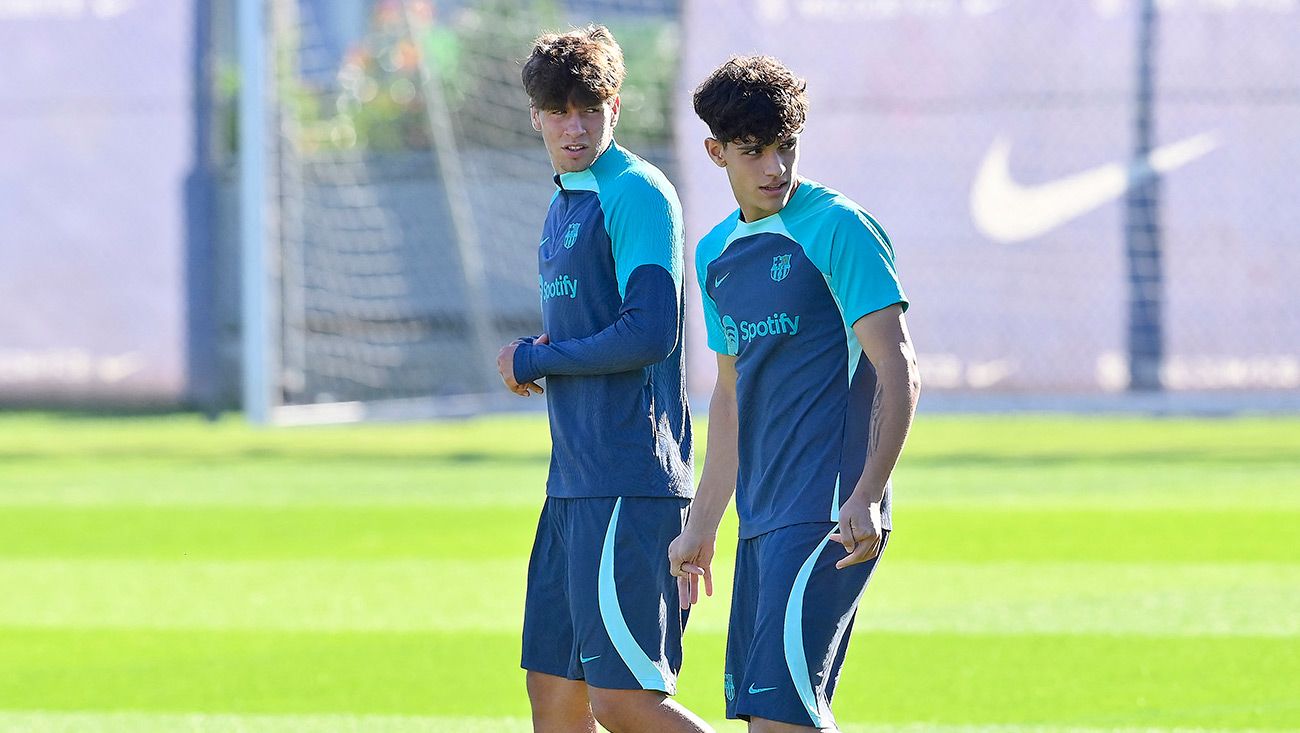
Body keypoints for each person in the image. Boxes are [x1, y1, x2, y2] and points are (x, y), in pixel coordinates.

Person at [668, 55, 921, 732]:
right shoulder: (716, 252)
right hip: (761, 521)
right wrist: (702, 522)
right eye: (753, 152)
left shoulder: (840, 227)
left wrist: (867, 491)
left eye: (786, 147)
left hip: (828, 514)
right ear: (716, 151)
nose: (775, 167)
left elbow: (900, 370)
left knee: (784, 720)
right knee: (775, 720)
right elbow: (730, 400)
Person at [495, 24, 712, 733]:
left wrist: (536, 359)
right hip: (573, 485)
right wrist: (543, 352)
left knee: (623, 702)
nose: (574, 124)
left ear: (614, 104)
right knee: (555, 699)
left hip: (628, 478)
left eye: (589, 107)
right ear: (536, 116)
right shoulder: (564, 204)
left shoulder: (638, 193)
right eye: (559, 111)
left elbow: (650, 331)